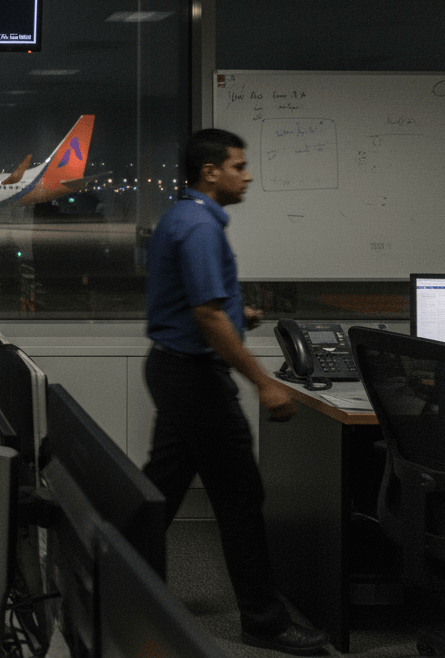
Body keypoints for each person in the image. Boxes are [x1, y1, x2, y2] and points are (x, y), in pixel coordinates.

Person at [143, 129, 328, 655]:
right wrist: (264, 382)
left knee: (160, 489)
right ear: (210, 172)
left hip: (171, 366)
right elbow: (204, 314)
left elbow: (196, 302)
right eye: (239, 167)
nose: (247, 177)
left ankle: (104, 574)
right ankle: (264, 622)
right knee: (240, 497)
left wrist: (235, 314)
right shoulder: (200, 226)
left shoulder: (180, 217)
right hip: (196, 376)